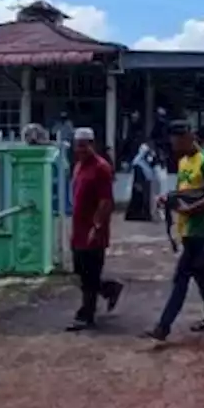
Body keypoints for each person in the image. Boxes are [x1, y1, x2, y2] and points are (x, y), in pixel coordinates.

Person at [143, 120, 204, 343]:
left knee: (181, 278)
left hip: (198, 228)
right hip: (186, 227)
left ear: (188, 137)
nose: (174, 145)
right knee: (201, 274)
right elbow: (185, 191)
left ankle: (163, 326)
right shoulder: (184, 162)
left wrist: (194, 208)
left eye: (177, 140)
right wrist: (169, 199)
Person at [66, 128, 121, 332]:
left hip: (93, 230)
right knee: (80, 271)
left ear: (92, 144)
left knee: (90, 272)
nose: (80, 149)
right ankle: (109, 288)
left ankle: (86, 314)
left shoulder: (101, 168)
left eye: (84, 145)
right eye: (77, 145)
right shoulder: (79, 166)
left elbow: (106, 201)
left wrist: (97, 226)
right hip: (78, 227)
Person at [125, 143, 156, 222]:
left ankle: (144, 215)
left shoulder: (145, 163)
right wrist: (138, 185)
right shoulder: (138, 163)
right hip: (140, 184)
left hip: (145, 183)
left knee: (145, 200)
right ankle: (138, 215)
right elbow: (137, 175)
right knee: (139, 200)